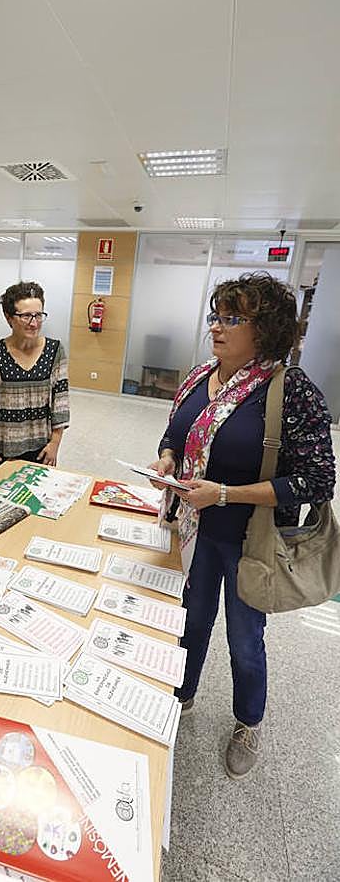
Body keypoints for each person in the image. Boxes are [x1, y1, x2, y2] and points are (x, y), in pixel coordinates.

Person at [149, 272, 335, 780]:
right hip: (194, 530)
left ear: (265, 329)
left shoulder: (290, 391)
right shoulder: (199, 377)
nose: (217, 326)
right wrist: (168, 458)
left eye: (233, 319)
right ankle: (181, 693)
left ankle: (248, 722)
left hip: (250, 541)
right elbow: (175, 432)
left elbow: (317, 480)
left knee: (244, 640)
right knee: (190, 621)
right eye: (217, 316)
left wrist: (227, 494)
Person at [0, 281, 70, 469]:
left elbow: (60, 402)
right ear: (9, 317)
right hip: (2, 450)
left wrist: (55, 444)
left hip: (42, 449)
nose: (34, 323)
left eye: (38, 315)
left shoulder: (55, 351)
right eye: (26, 316)